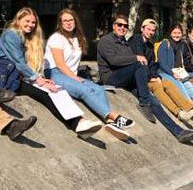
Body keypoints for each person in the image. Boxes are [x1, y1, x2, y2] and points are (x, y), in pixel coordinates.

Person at [0, 7, 102, 138]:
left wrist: (39, 78)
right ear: (18, 20)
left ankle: (77, 123)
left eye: (33, 22)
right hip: (4, 74)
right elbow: (18, 62)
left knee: (47, 93)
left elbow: (25, 66)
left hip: (13, 78)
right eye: (27, 21)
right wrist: (38, 80)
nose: (30, 25)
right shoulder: (11, 34)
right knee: (46, 90)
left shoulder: (25, 38)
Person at [97, 15, 193, 144]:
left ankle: (178, 131)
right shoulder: (106, 40)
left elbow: (146, 65)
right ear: (114, 26)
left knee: (155, 101)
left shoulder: (125, 43)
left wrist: (151, 74)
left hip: (126, 78)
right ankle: (144, 103)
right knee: (139, 65)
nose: (122, 28)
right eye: (119, 25)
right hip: (110, 77)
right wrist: (136, 58)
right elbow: (113, 60)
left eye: (125, 26)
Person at [44, 9, 134, 139]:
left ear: (75, 21)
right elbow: (60, 64)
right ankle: (116, 117)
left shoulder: (77, 39)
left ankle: (110, 122)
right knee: (84, 90)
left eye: (71, 20)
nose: (68, 23)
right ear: (60, 23)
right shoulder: (56, 38)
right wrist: (75, 78)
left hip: (69, 74)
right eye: (65, 21)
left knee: (98, 89)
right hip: (55, 73)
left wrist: (77, 77)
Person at [128, 19, 193, 122]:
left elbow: (152, 65)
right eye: (148, 29)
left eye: (153, 30)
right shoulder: (135, 40)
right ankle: (178, 112)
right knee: (159, 87)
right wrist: (152, 77)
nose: (151, 32)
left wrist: (156, 76)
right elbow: (142, 64)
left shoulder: (150, 45)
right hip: (137, 78)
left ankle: (189, 108)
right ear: (142, 28)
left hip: (150, 76)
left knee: (168, 84)